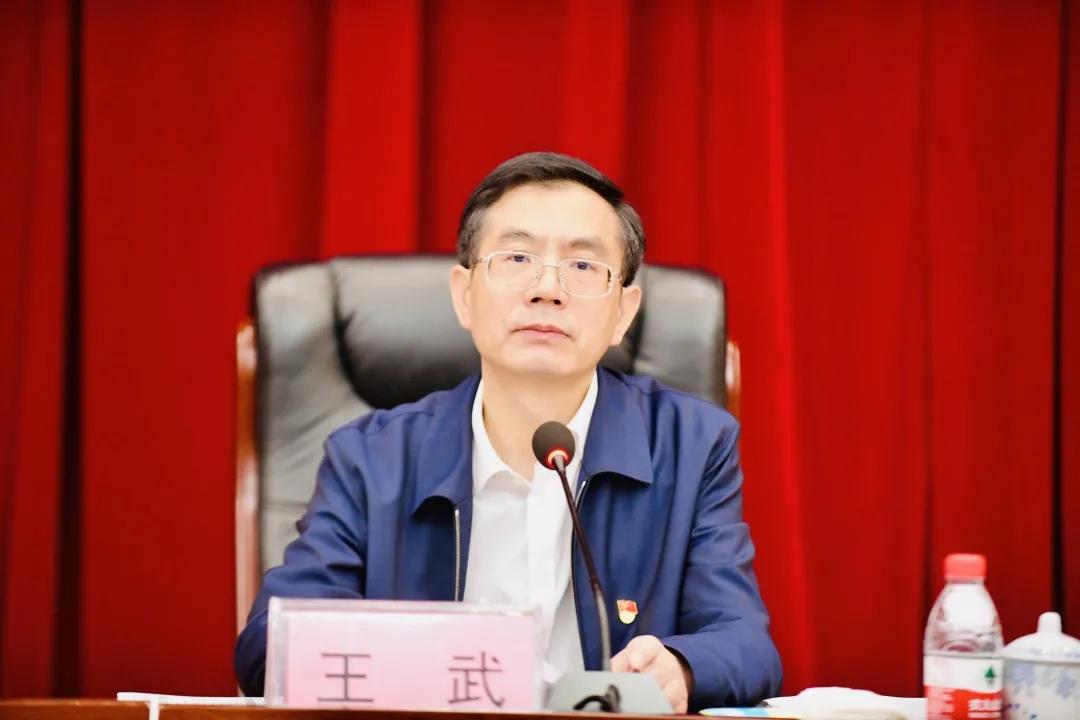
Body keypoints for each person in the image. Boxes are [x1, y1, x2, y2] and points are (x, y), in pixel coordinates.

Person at [235, 151, 782, 711]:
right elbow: (269, 646)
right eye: (517, 257)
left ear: (623, 312)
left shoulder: (691, 445)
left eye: (583, 265)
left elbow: (745, 644)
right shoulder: (371, 457)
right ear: (463, 294)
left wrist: (682, 668)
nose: (547, 289)